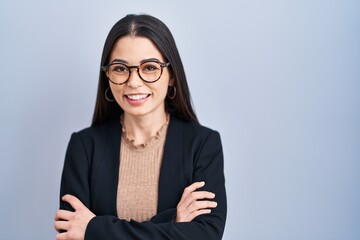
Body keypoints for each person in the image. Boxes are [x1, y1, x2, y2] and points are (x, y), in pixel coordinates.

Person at [54, 14, 227, 240]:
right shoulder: (84, 146)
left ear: (172, 75)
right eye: (120, 69)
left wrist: (95, 229)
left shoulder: (203, 144)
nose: (134, 82)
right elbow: (70, 233)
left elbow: (206, 235)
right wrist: (172, 221)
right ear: (107, 75)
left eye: (149, 67)